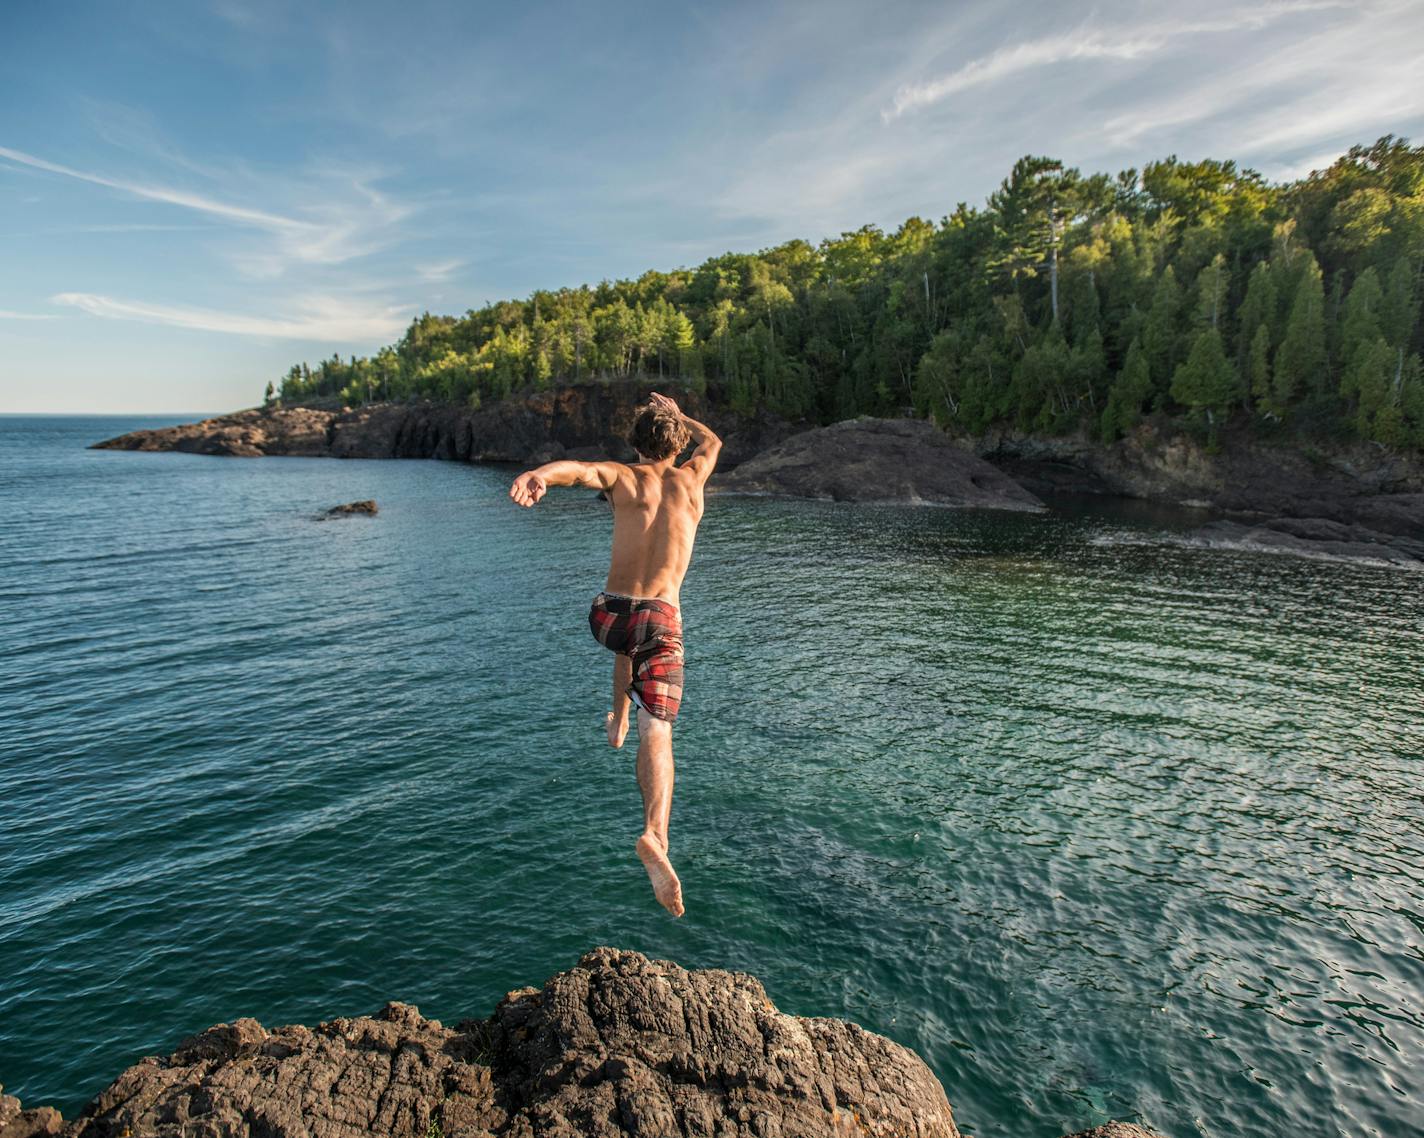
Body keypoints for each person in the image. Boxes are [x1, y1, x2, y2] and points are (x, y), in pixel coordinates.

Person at [508, 392, 721, 917]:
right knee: (661, 729)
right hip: (661, 618)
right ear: (677, 444)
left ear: (636, 443)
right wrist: (680, 415)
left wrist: (539, 473)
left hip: (608, 615)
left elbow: (577, 471)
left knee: (630, 639)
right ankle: (654, 835)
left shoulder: (624, 478)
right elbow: (713, 440)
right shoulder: (693, 480)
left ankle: (617, 719)